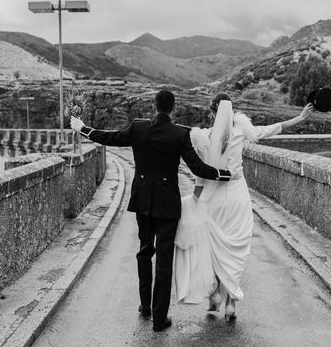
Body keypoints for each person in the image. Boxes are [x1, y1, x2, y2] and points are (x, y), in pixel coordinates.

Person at [70, 89, 232, 333]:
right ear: (172, 108)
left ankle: (145, 305)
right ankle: (159, 319)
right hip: (167, 206)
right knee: (164, 262)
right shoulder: (180, 134)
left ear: (154, 107)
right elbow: (198, 168)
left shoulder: (138, 128)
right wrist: (224, 174)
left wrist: (82, 128)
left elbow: (109, 138)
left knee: (144, 252)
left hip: (143, 201)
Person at [174, 93, 314, 322]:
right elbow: (272, 128)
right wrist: (299, 118)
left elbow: (200, 176)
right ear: (231, 112)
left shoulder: (203, 137)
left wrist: (195, 201)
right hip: (237, 197)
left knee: (216, 249)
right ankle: (230, 303)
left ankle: (215, 296)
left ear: (212, 113)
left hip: (212, 198)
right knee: (236, 249)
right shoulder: (241, 132)